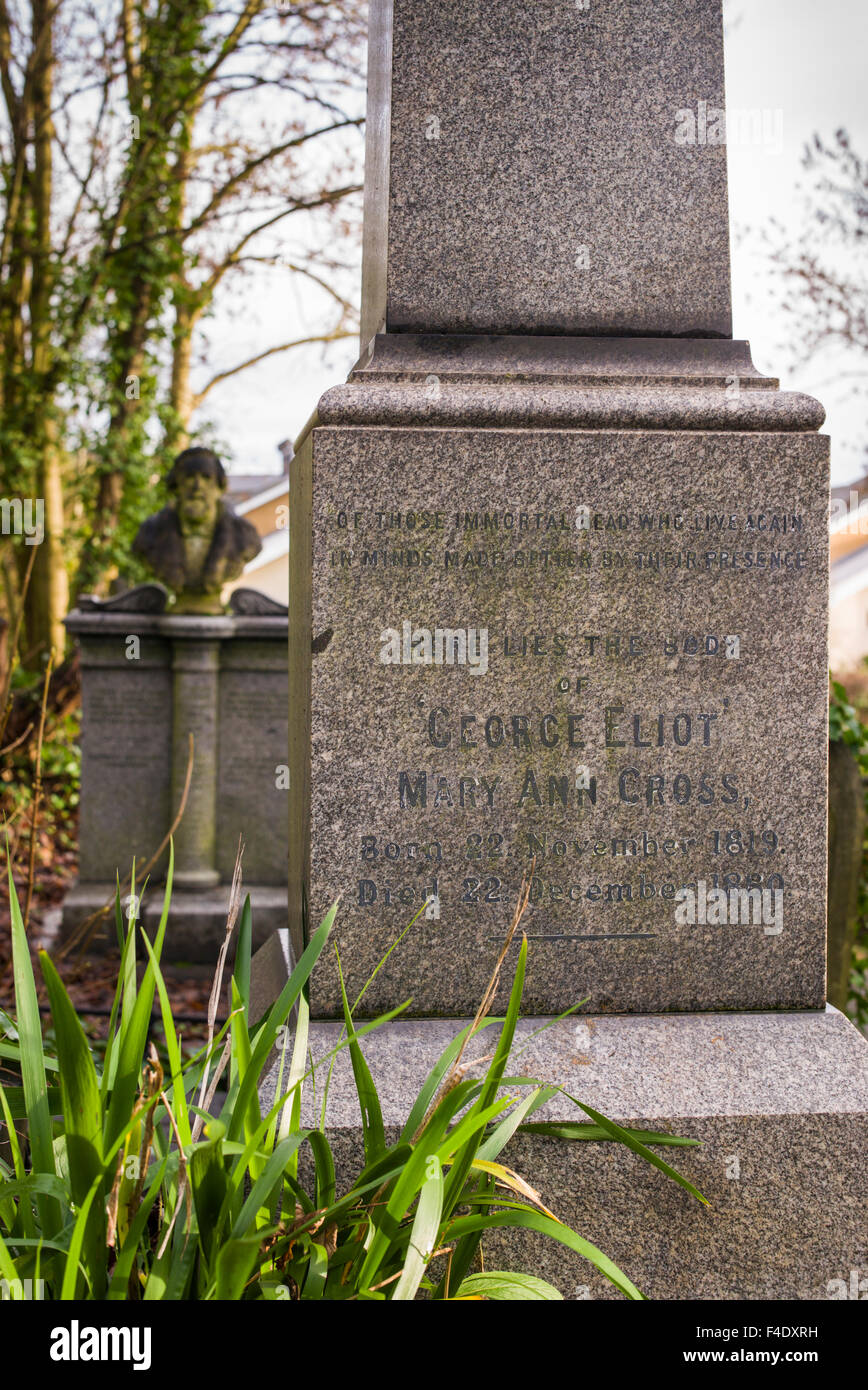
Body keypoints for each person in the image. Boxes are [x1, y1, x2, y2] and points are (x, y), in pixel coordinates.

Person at [132, 447, 261, 613]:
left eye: (206, 477)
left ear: (219, 487)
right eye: (189, 477)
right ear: (176, 486)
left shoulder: (244, 537)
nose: (197, 486)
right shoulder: (151, 534)